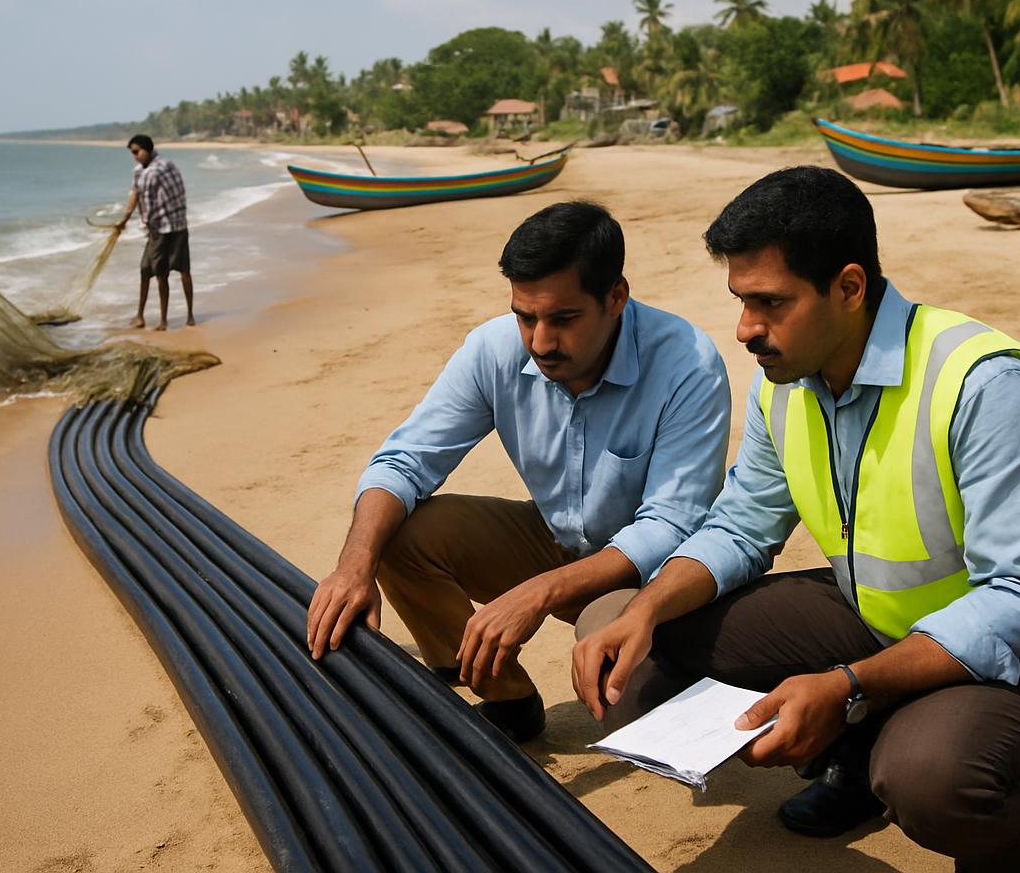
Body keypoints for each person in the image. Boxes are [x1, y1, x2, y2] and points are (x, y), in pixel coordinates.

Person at [572, 166, 1020, 870]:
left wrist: (848, 686)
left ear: (850, 287)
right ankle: (862, 745)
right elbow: (741, 525)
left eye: (770, 302)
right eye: (740, 300)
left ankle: (1012, 817)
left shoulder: (985, 382)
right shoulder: (786, 381)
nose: (745, 330)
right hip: (880, 616)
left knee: (932, 774)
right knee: (621, 626)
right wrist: (644, 609)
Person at [307, 200, 731, 741]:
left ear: (616, 297)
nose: (540, 341)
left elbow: (672, 524)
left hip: (650, 576)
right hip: (553, 538)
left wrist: (539, 593)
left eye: (564, 319)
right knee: (395, 532)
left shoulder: (686, 363)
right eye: (525, 316)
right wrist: (353, 567)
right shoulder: (493, 350)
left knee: (624, 698)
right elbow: (404, 460)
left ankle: (686, 674)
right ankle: (506, 698)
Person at [116, 133, 194, 330]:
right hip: (178, 224)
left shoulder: (153, 172)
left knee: (160, 273)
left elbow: (147, 202)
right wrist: (124, 219)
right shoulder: (163, 165)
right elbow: (135, 192)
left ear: (147, 149)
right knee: (167, 270)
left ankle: (163, 321)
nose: (135, 156)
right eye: (132, 153)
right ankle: (186, 317)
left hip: (163, 228)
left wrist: (144, 224)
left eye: (136, 152)